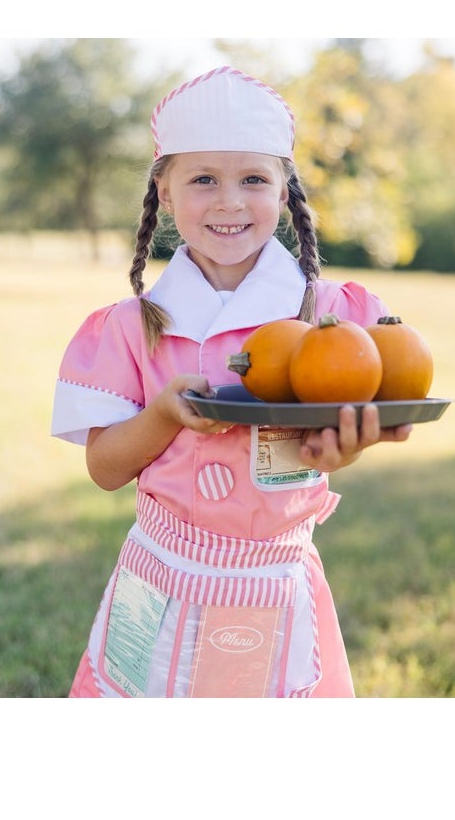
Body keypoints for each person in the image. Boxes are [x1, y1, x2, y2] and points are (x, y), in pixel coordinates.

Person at [51, 66, 412, 698]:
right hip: (159, 580)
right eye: (202, 180)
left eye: (252, 179)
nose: (229, 201)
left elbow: (351, 432)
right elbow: (106, 468)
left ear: (283, 187)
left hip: (274, 580)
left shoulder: (334, 320)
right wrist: (162, 415)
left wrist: (349, 448)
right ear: (164, 191)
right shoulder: (134, 327)